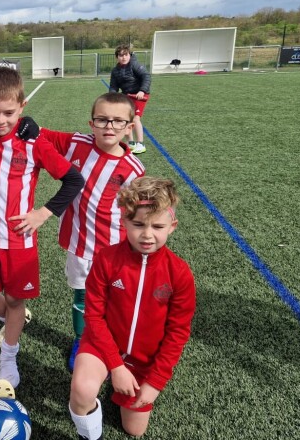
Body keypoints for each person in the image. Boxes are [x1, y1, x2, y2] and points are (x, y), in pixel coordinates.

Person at [0, 66, 84, 391]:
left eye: (9, 113)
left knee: (13, 299)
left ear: (22, 107)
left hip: (18, 241)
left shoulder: (32, 141)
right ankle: (13, 318)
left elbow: (73, 179)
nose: (1, 120)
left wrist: (43, 213)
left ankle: (9, 356)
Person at [68, 176, 196, 439]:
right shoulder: (106, 259)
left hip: (144, 359)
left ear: (172, 226)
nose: (147, 234)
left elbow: (178, 332)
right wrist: (115, 366)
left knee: (134, 430)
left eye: (157, 226)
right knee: (82, 390)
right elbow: (94, 316)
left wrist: (155, 382)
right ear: (124, 222)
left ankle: (122, 384)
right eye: (138, 224)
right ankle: (89, 432)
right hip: (103, 346)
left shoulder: (180, 273)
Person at [38, 92, 146, 372]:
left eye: (117, 121)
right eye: (102, 120)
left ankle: (115, 343)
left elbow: (139, 213)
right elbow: (40, 134)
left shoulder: (134, 169)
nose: (109, 126)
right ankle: (80, 340)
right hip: (79, 244)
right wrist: (21, 121)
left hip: (113, 248)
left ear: (130, 125)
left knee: (114, 300)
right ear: (91, 122)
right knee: (82, 296)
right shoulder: (76, 143)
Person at [108, 45, 151, 155]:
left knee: (135, 119)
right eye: (121, 55)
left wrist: (142, 90)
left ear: (129, 55)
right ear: (116, 57)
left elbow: (146, 76)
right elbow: (113, 86)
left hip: (139, 96)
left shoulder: (134, 65)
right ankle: (131, 143)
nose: (124, 57)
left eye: (126, 55)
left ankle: (141, 144)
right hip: (127, 96)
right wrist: (112, 97)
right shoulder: (115, 71)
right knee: (125, 119)